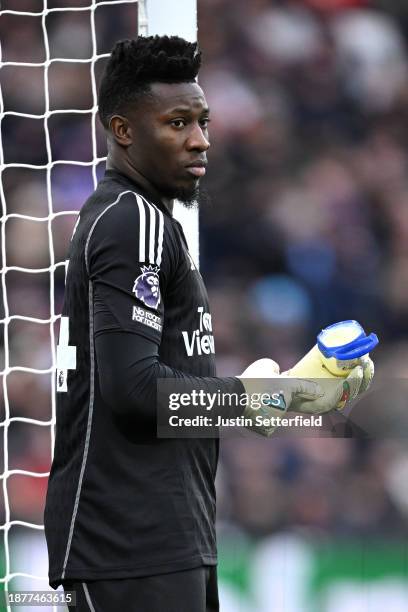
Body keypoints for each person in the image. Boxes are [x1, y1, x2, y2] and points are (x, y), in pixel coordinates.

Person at [44, 35, 372, 611]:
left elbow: (161, 386)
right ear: (123, 131)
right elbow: (137, 393)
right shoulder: (132, 220)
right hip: (132, 543)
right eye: (177, 123)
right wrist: (274, 399)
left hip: (161, 538)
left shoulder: (149, 223)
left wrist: (273, 395)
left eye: (203, 121)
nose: (200, 140)